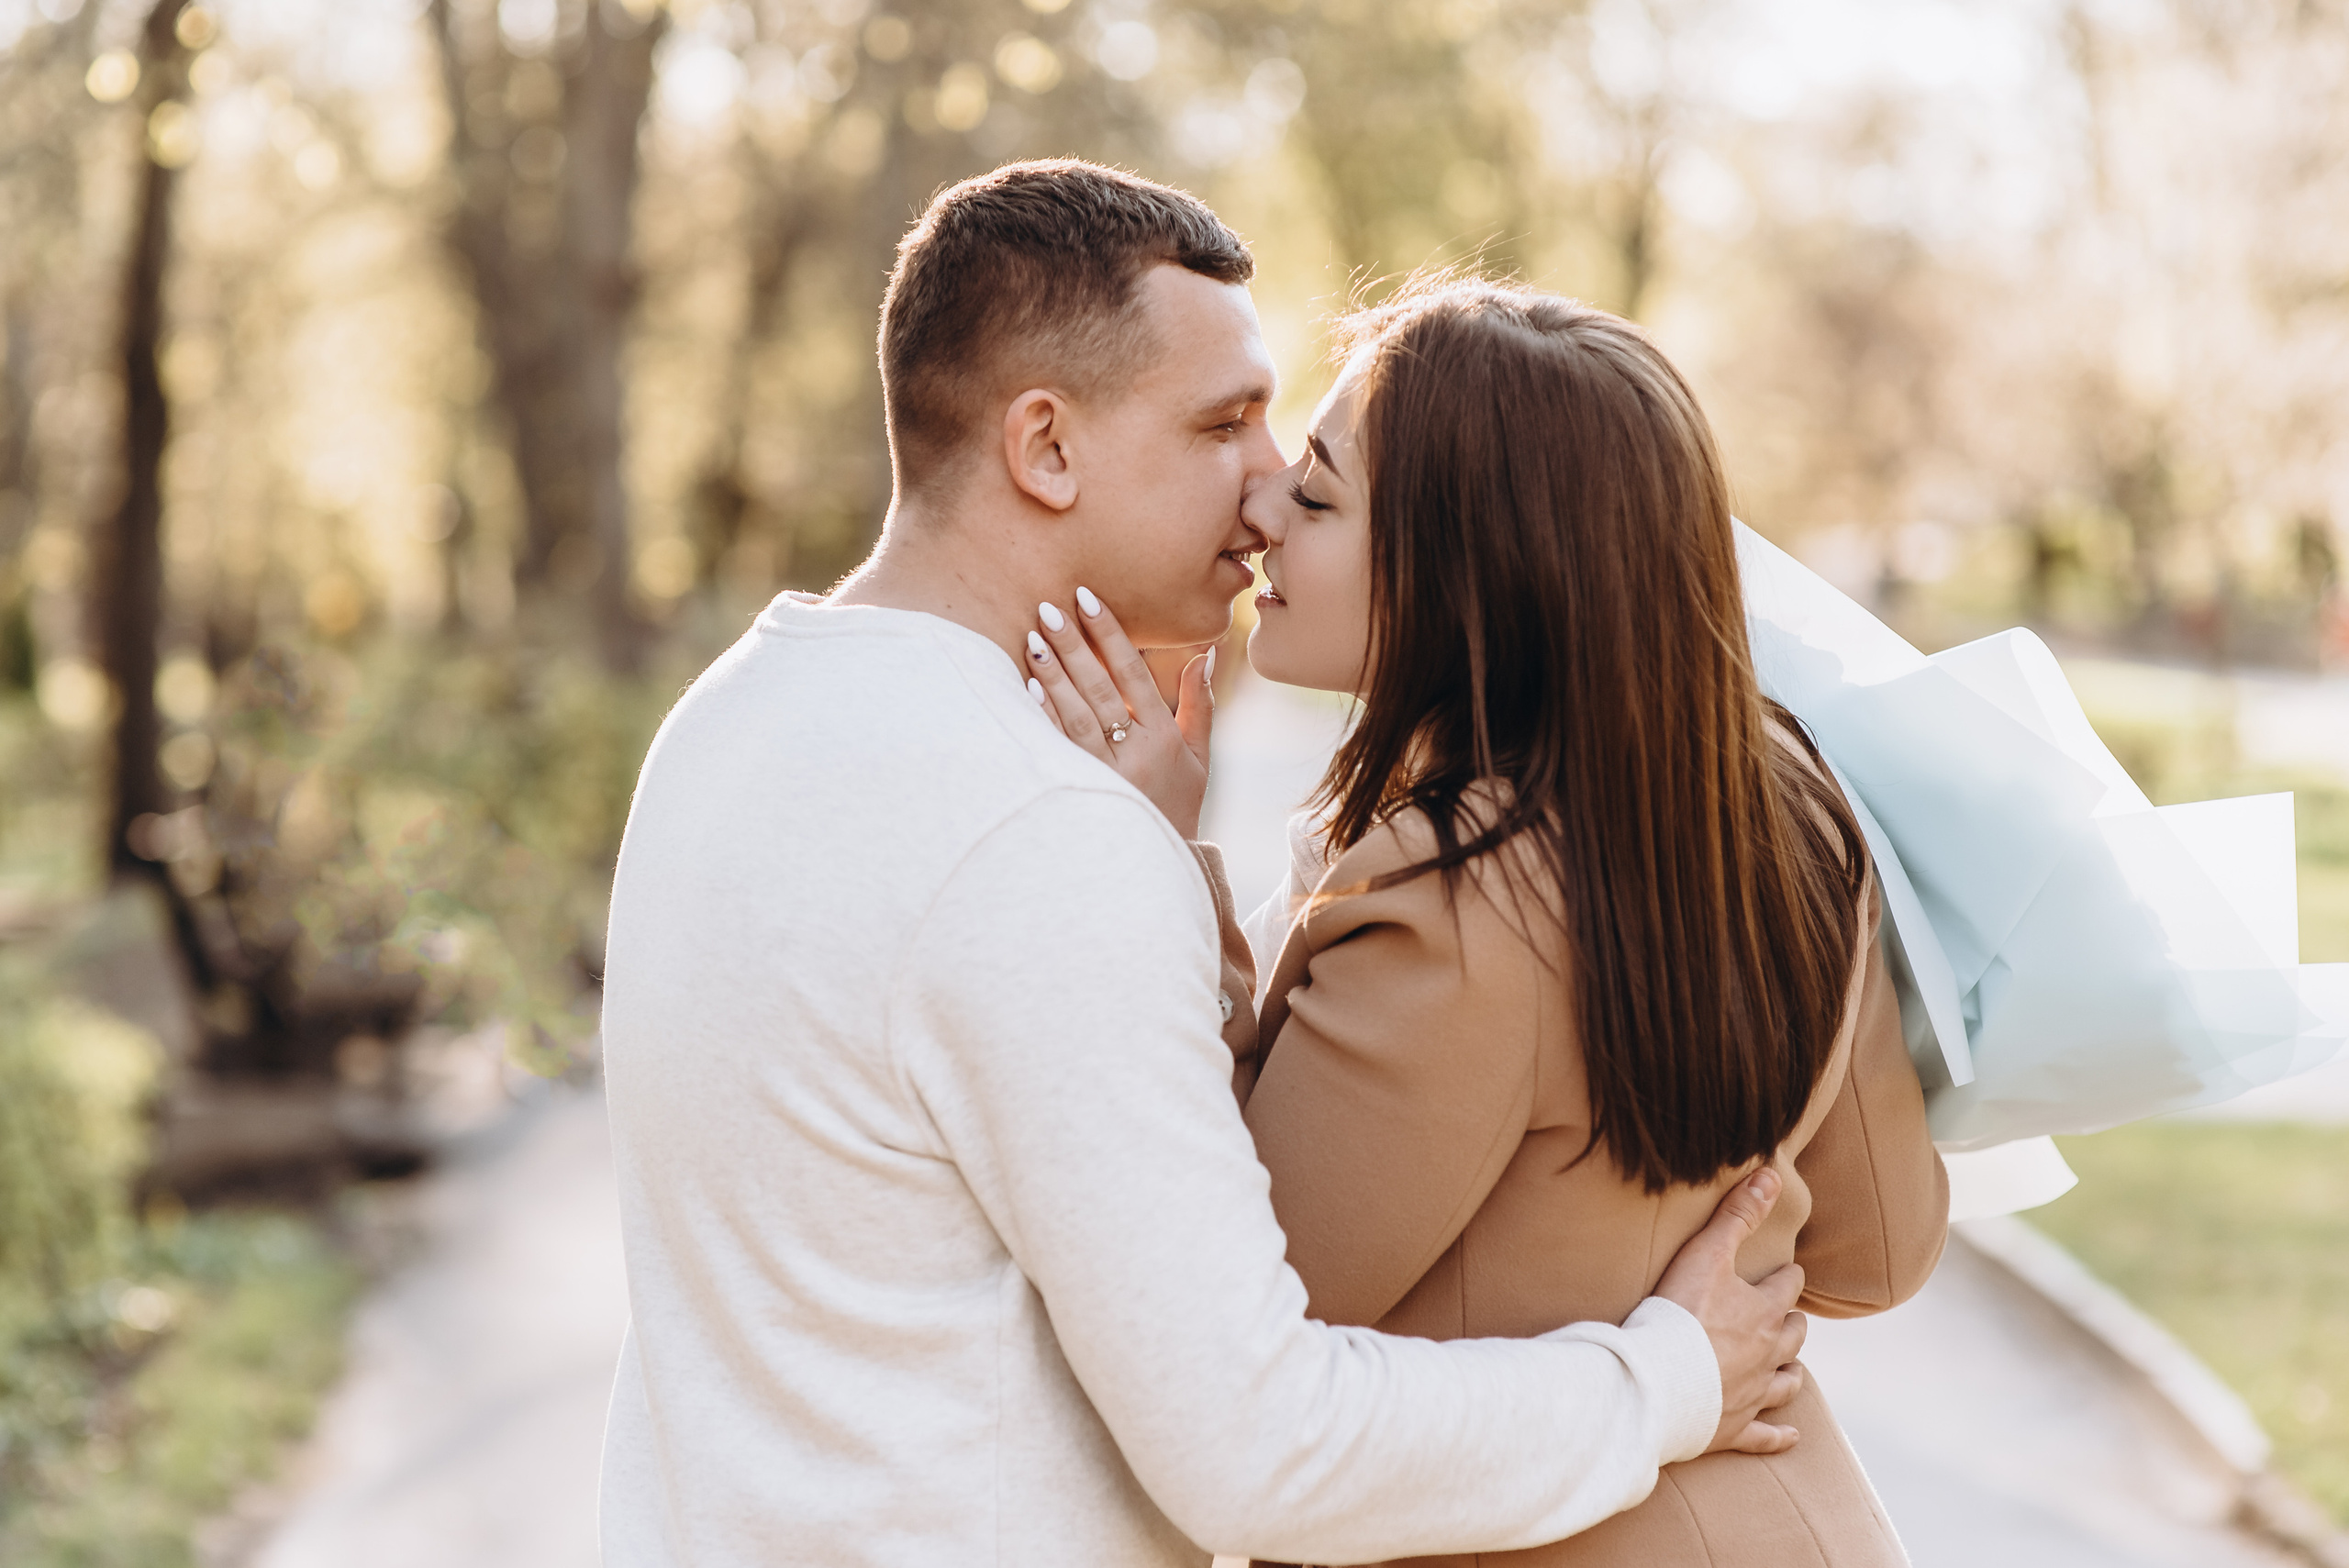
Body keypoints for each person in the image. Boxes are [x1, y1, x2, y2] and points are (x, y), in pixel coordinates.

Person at [596, 162, 1812, 1568]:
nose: (1271, 482)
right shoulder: (1041, 836)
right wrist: (1670, 1376)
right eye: (1222, 422)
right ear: (1046, 447)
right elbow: (1262, 1443)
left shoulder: (730, 722)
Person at [1029, 278, 1950, 1566]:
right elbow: (1876, 1251)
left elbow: (1243, 1308)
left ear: (1468, 573)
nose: (1263, 509)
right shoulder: (1785, 799)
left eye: (1319, 497)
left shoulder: (1450, 894)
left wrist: (1164, 861)